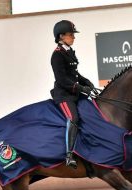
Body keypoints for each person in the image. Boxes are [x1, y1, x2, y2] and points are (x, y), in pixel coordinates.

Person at [50, 20, 95, 169]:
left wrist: (86, 81)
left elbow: (74, 74)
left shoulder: (68, 51)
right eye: (71, 35)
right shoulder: (57, 55)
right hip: (63, 94)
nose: (73, 37)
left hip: (73, 92)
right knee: (73, 118)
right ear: (61, 36)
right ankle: (69, 155)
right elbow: (62, 80)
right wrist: (80, 88)